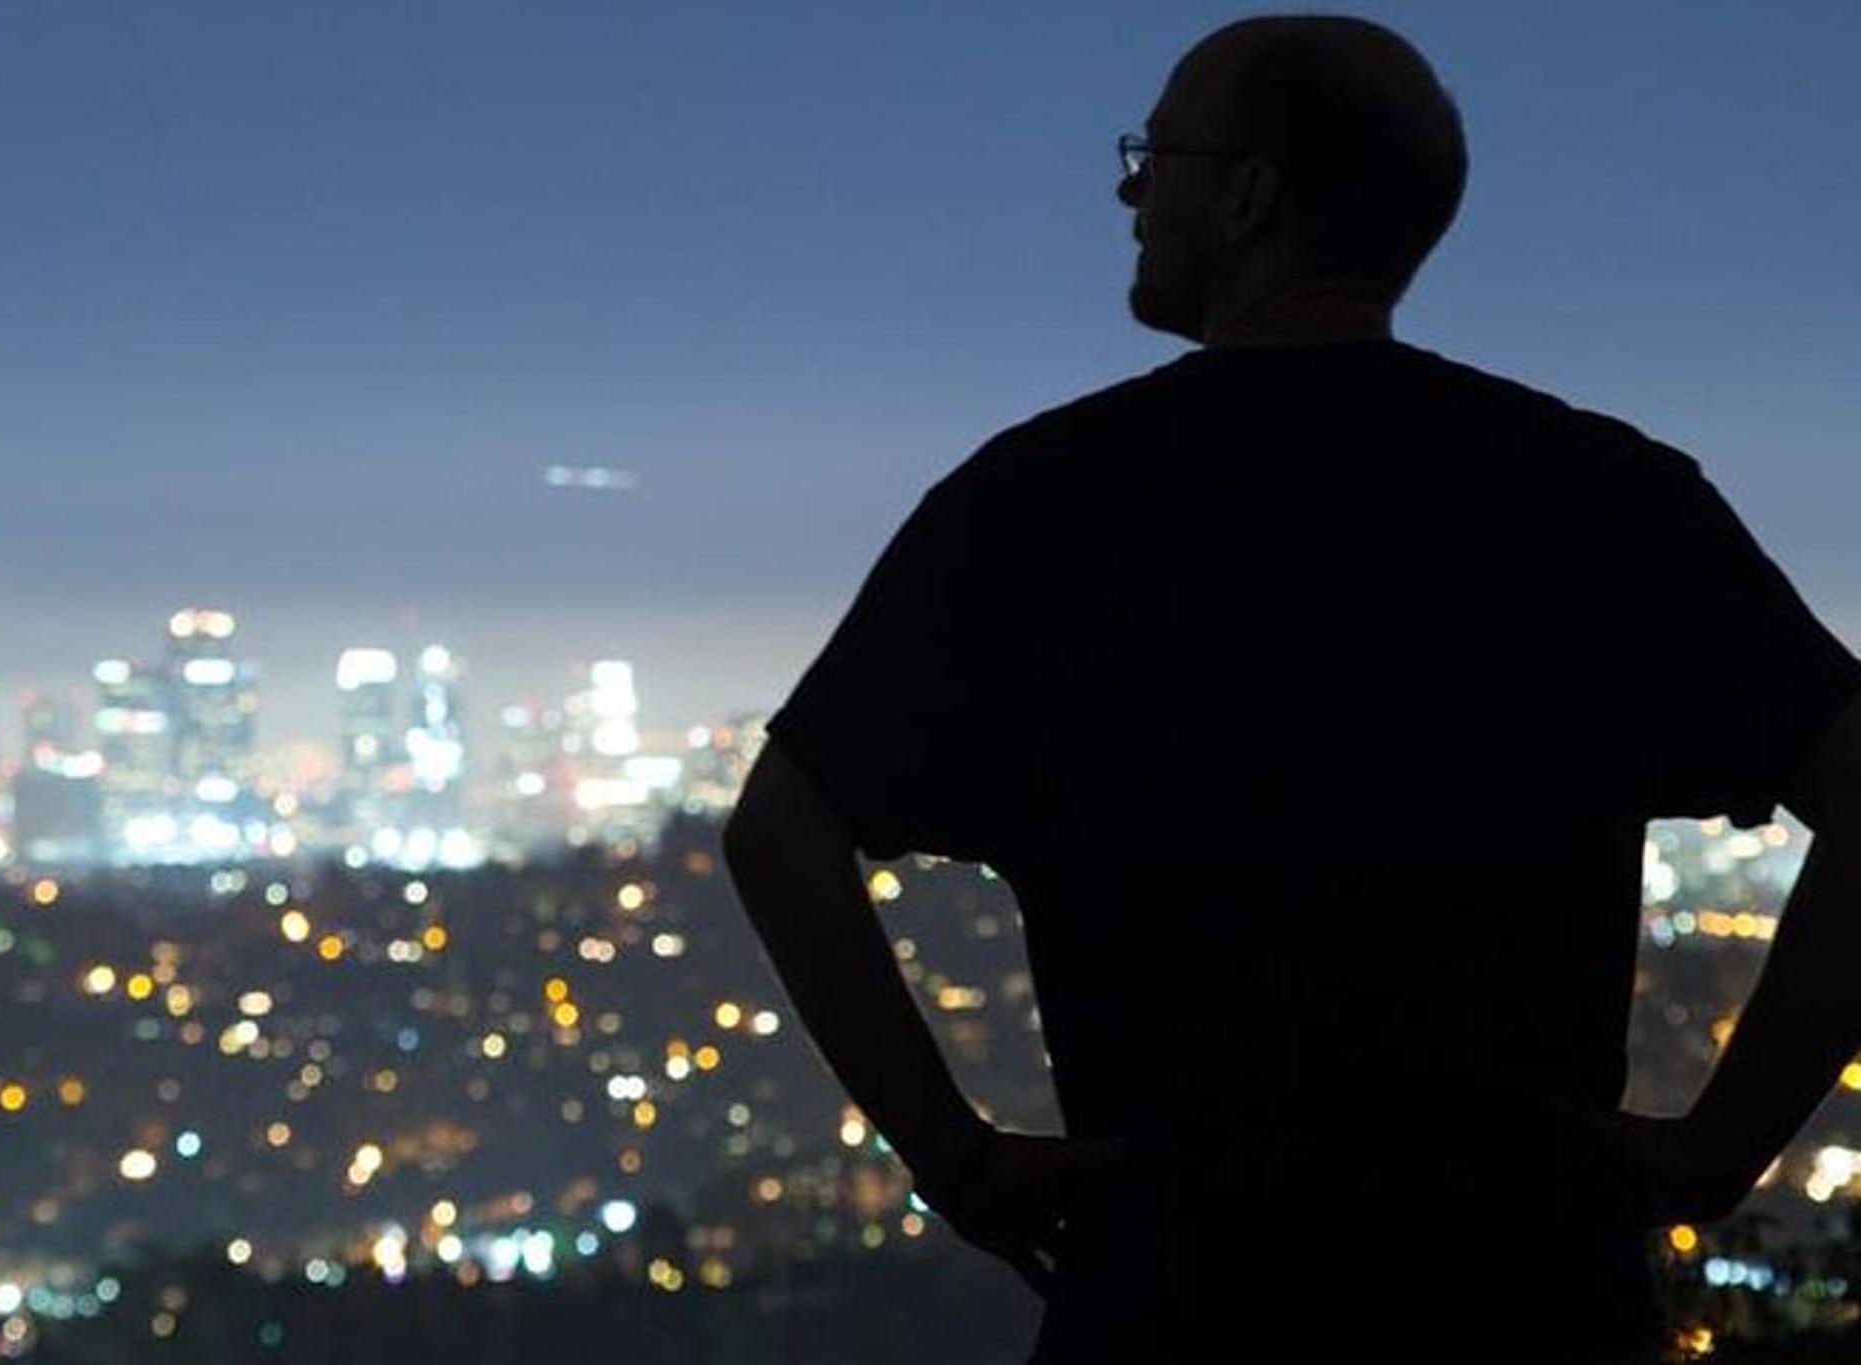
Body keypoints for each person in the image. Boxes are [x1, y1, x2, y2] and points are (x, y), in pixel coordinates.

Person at [722, 13, 1861, 1363]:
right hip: (1519, 1291)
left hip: (1175, 1289)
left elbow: (779, 829)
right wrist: (1720, 1147)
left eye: (1159, 156)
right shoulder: (1604, 500)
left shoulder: (1039, 508)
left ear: (1250, 194)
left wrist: (955, 1154)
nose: (1132, 192)